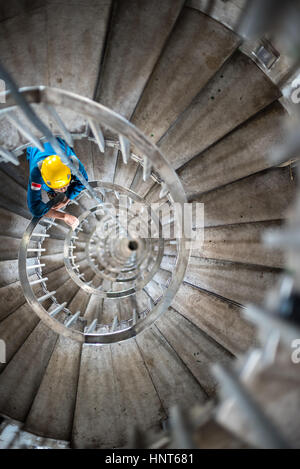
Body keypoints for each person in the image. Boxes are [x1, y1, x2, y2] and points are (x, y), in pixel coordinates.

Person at [27, 137, 88, 230]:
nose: (64, 190)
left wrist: (66, 200)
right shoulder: (36, 173)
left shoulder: (73, 162)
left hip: (56, 139)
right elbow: (34, 207)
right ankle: (51, 191)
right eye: (58, 188)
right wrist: (64, 216)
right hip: (35, 144)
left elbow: (83, 181)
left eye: (66, 185)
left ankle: (52, 191)